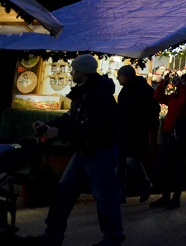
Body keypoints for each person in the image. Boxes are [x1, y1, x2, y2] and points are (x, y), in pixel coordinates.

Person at [29, 54, 124, 246]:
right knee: (64, 193)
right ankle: (53, 235)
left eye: (73, 69)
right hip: (84, 151)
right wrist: (49, 126)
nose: (71, 72)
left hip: (99, 152)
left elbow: (92, 127)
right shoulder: (85, 92)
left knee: (104, 197)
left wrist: (60, 132)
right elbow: (73, 117)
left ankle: (112, 238)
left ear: (82, 72)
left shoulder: (99, 96)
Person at [151, 71, 186, 209]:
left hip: (181, 133)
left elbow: (183, 104)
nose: (180, 84)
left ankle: (175, 198)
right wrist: (164, 83)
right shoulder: (174, 96)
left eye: (184, 81)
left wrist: (182, 87)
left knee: (177, 166)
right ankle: (165, 196)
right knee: (163, 165)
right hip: (168, 132)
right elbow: (157, 96)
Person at [115, 64, 159, 204]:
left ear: (125, 76)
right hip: (128, 130)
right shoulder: (140, 88)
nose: (118, 79)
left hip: (135, 131)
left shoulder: (139, 90)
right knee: (121, 162)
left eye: (119, 76)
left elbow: (152, 109)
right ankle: (121, 194)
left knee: (129, 160)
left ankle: (144, 185)